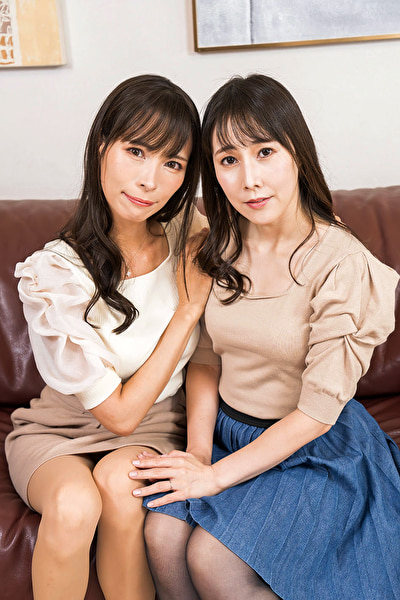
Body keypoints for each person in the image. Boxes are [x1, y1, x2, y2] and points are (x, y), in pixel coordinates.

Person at [129, 74, 400, 600]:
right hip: (226, 433)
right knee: (162, 533)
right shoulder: (218, 244)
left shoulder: (342, 264)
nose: (249, 179)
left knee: (213, 559)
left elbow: (316, 414)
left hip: (312, 448)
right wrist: (199, 453)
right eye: (229, 160)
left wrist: (213, 480)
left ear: (297, 152)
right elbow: (206, 358)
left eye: (265, 152)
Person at [5, 74, 211, 600]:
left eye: (172, 164)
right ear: (102, 147)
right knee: (74, 505)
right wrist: (187, 312)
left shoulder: (193, 234)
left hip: (158, 423)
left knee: (121, 487)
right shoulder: (53, 274)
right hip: (61, 427)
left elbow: (290, 235)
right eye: (136, 151)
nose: (149, 180)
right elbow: (116, 415)